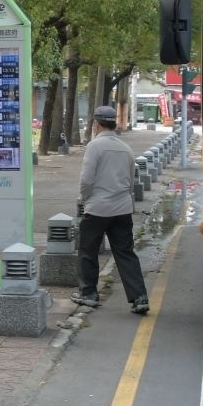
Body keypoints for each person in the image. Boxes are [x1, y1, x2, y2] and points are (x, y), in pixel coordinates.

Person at [72, 105, 150, 315]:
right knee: (125, 253)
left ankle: (88, 294)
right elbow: (132, 178)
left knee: (88, 251)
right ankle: (139, 297)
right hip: (122, 208)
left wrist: (84, 198)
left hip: (98, 208)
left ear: (96, 124)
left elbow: (87, 179)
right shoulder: (125, 148)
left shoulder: (95, 146)